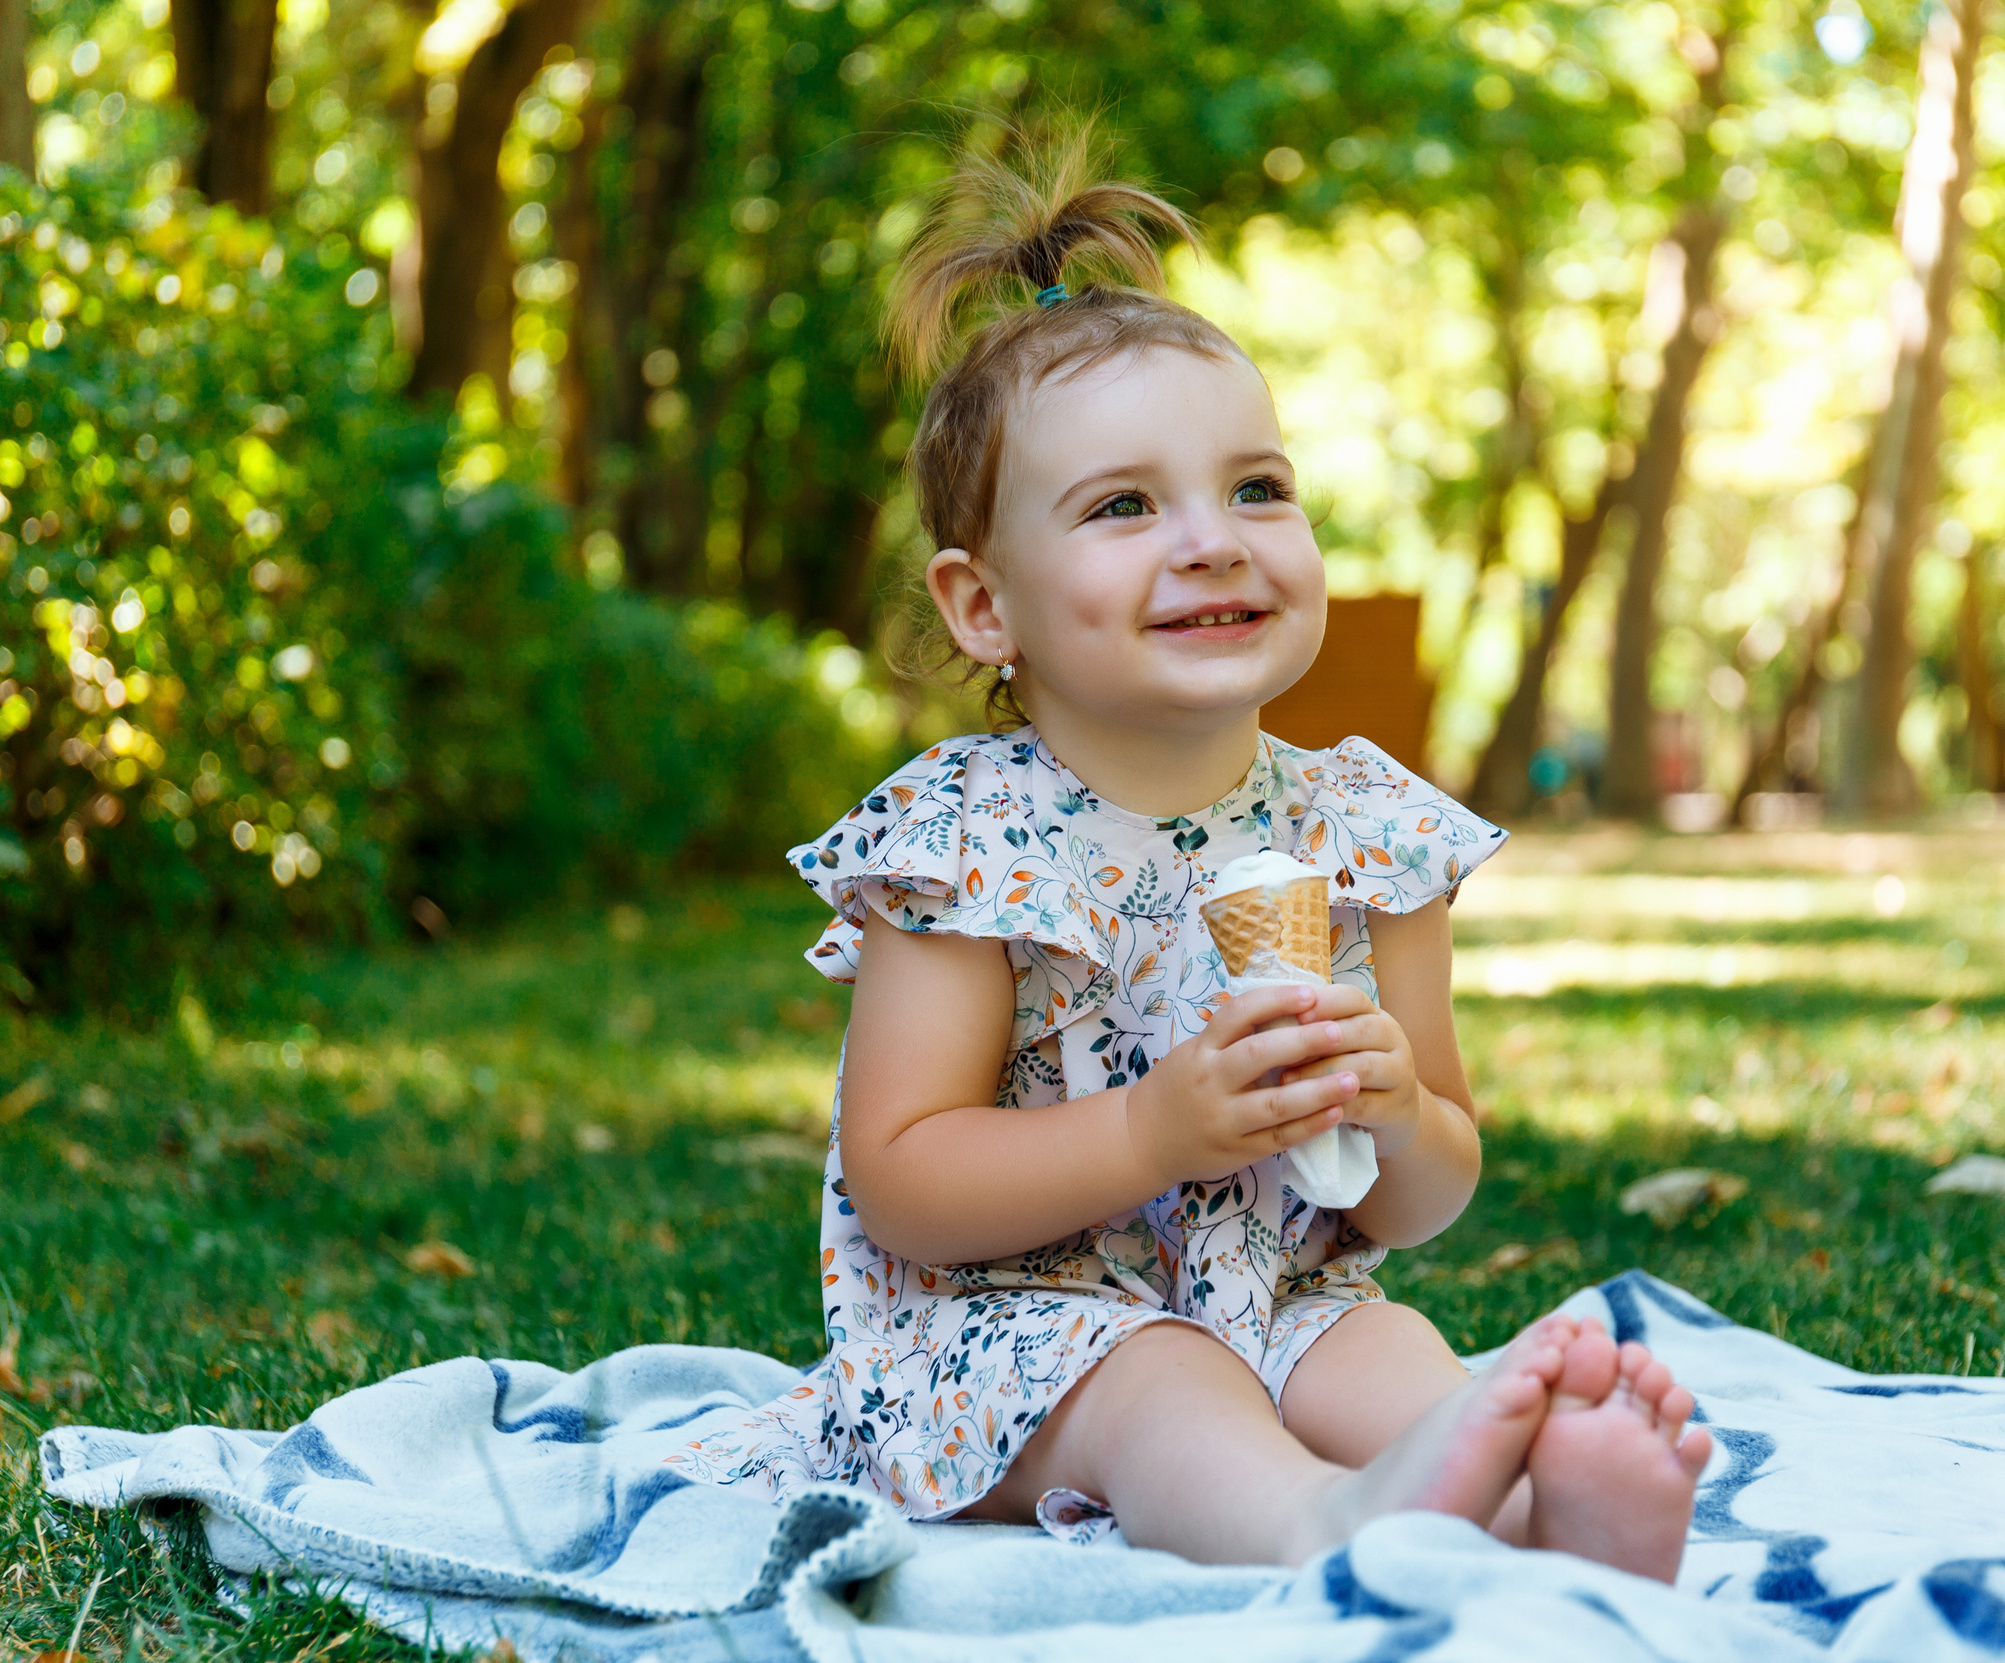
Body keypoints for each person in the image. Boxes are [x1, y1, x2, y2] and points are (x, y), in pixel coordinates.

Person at [660, 137, 1711, 1577]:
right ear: (984, 606)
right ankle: (1319, 1526)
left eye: (1258, 489)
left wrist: (1399, 1110)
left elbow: (1423, 1192)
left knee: (1381, 1337)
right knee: (1159, 1377)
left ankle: (1552, 1513)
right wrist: (1151, 1134)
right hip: (1014, 1332)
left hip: (1275, 1291)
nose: (1214, 542)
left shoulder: (1366, 832)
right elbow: (902, 1173)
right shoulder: (968, 845)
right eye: (1124, 506)